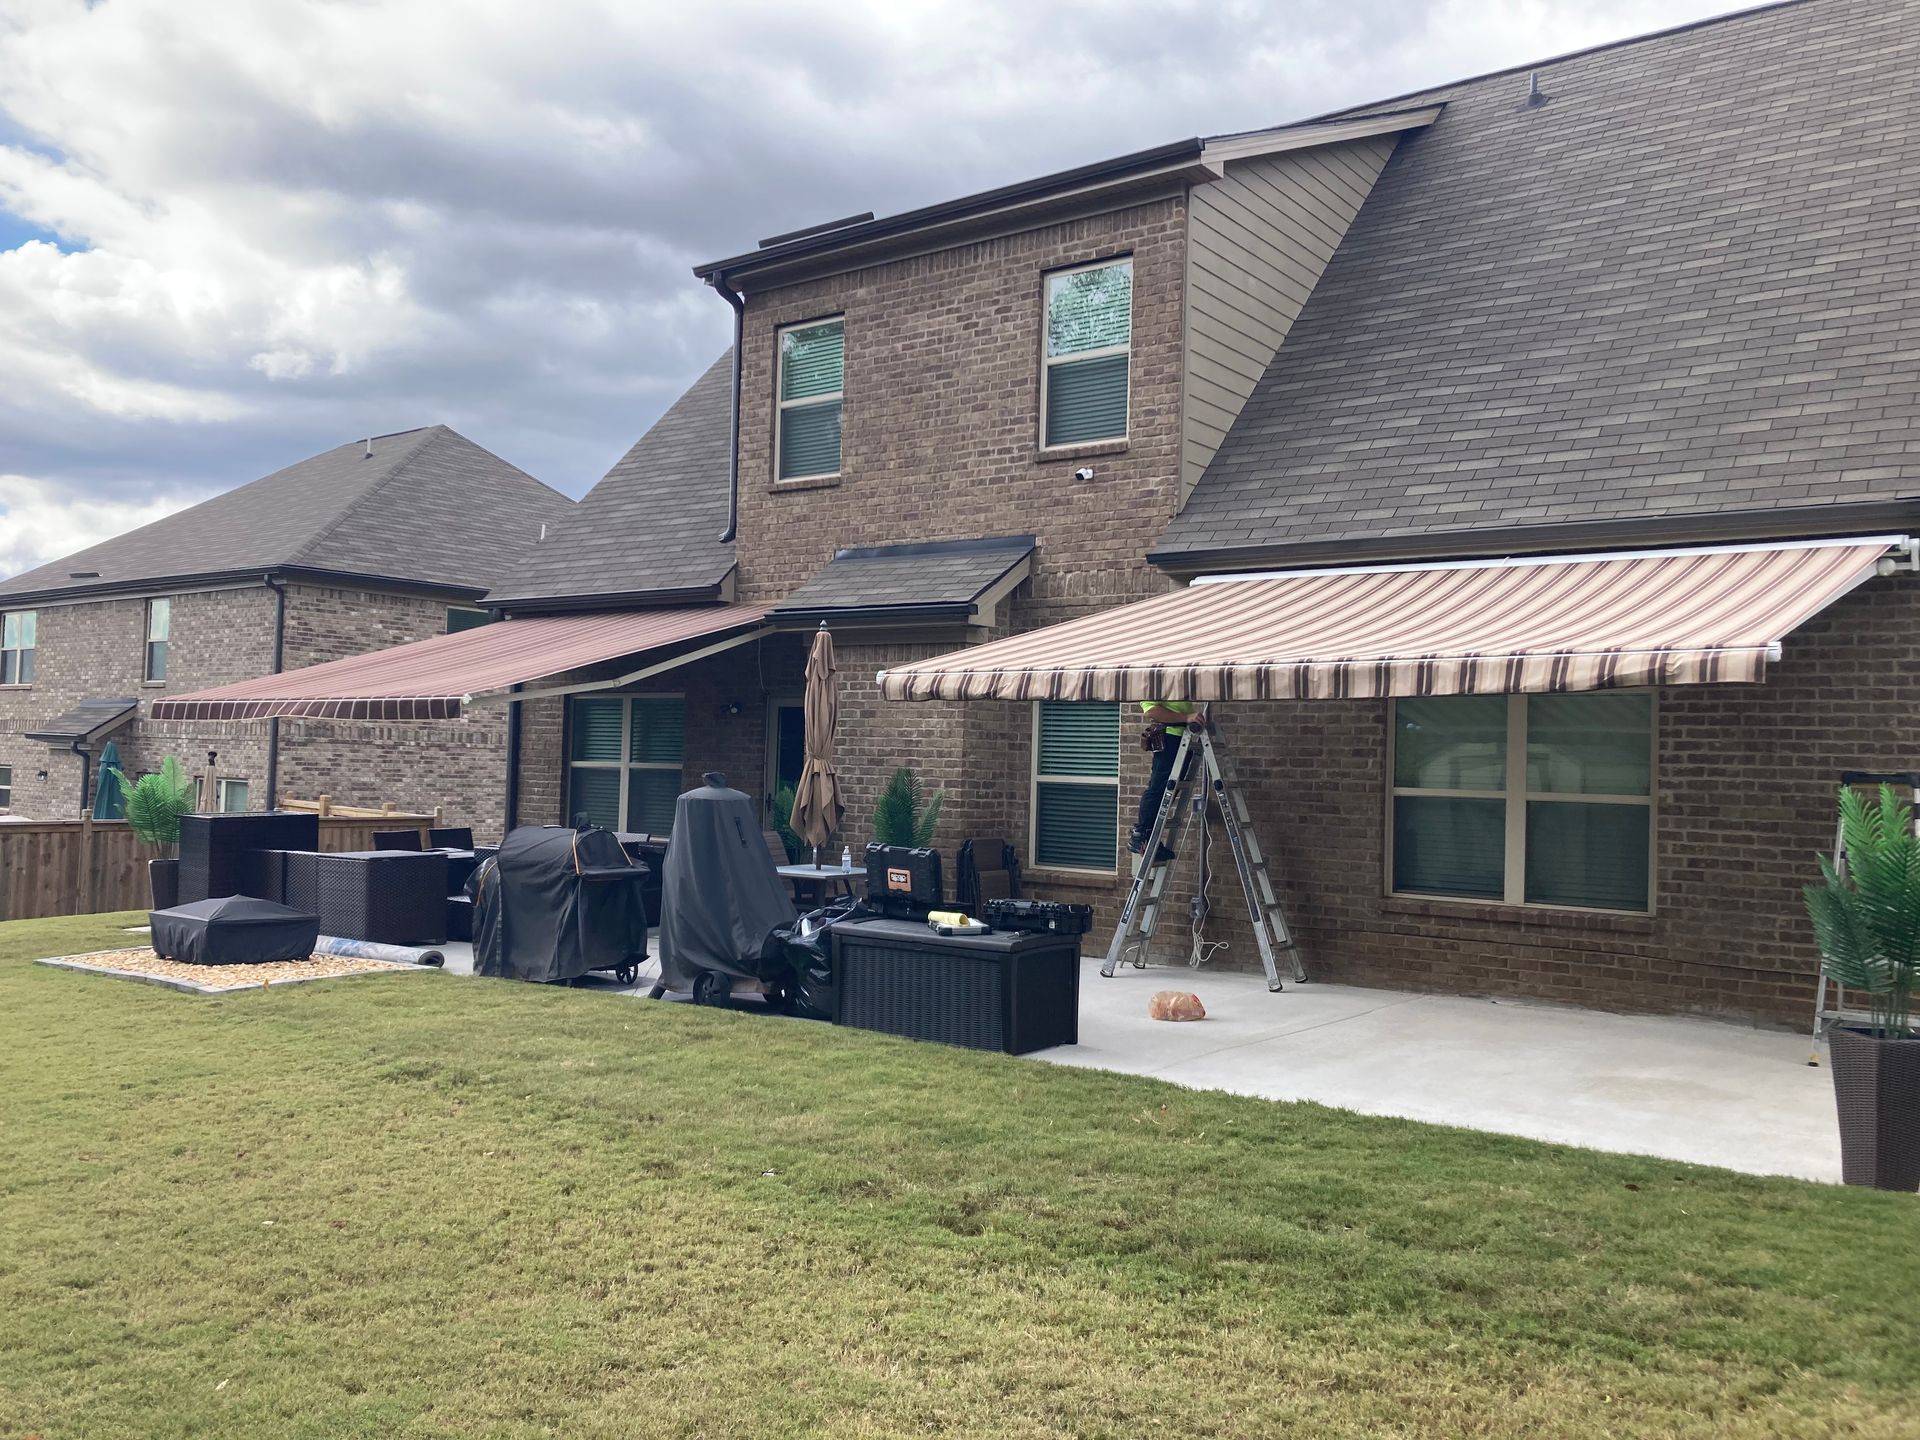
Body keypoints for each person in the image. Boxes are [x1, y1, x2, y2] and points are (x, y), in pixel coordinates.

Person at [1129, 701, 1208, 859]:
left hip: (1182, 737)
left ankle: (1152, 842)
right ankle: (1140, 835)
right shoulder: (1154, 681)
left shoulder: (1171, 683)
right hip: (1169, 737)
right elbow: (1151, 711)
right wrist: (1186, 717)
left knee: (1169, 791)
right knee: (1159, 789)